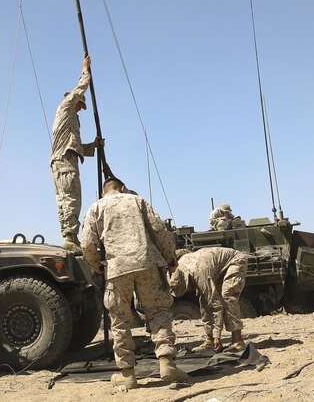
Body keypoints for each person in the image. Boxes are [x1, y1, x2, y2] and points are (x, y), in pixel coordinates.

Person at [82, 175, 188, 389]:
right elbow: (159, 230)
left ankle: (128, 375)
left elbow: (87, 244)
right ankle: (166, 362)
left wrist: (96, 265)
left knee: (119, 319)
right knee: (158, 311)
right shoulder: (137, 200)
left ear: (104, 192)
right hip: (147, 262)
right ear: (122, 188)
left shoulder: (96, 208)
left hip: (117, 268)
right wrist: (171, 259)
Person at [50, 55, 103, 253]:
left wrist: (94, 146)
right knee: (71, 197)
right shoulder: (66, 106)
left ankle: (69, 235)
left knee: (65, 198)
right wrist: (85, 70)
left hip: (63, 159)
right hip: (65, 161)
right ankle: (70, 237)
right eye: (81, 104)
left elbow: (77, 145)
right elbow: (80, 88)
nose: (81, 108)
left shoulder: (71, 118)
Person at [168, 246, 250, 353]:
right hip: (215, 267)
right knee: (204, 300)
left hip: (234, 260)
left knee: (227, 297)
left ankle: (237, 340)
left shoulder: (199, 273)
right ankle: (210, 340)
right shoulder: (180, 266)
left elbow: (215, 305)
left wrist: (218, 337)